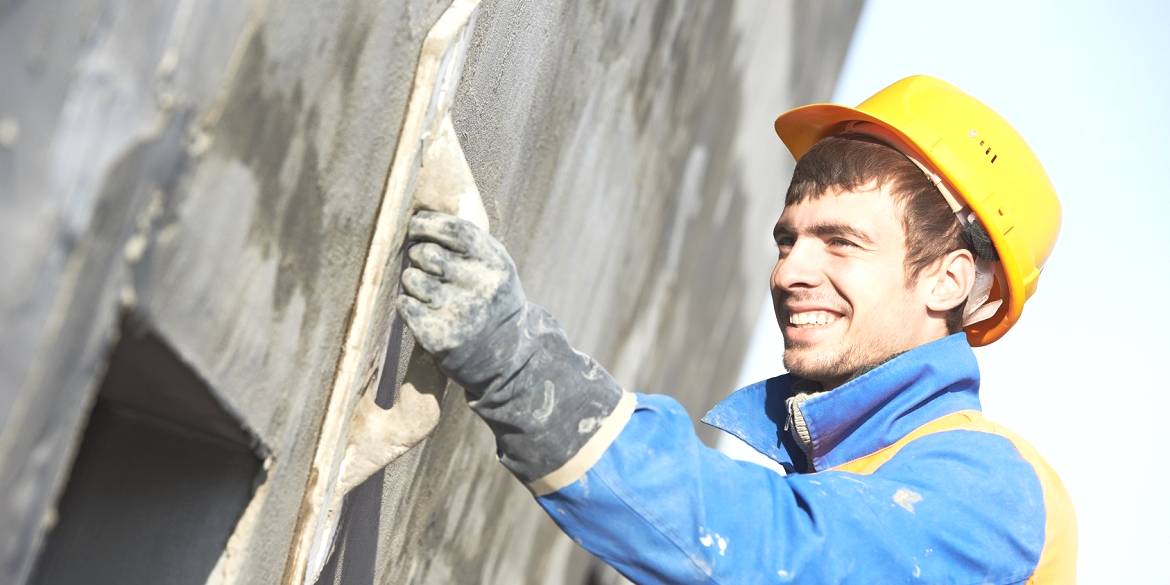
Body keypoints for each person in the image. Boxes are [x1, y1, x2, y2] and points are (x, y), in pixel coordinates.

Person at [396, 75, 1076, 583]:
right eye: (788, 241)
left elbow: (779, 554)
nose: (788, 272)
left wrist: (520, 370)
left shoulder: (997, 491)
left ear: (948, 281)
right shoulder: (850, 469)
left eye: (840, 241)